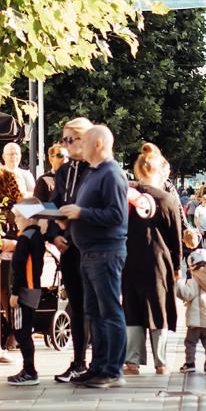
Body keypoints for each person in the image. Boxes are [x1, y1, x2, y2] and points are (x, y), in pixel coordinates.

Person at [61, 125, 129, 389]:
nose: (80, 145)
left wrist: (81, 214)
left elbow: (116, 216)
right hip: (90, 251)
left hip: (105, 250)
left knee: (109, 311)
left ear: (98, 143)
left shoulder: (111, 174)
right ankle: (98, 366)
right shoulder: (94, 173)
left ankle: (113, 369)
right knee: (94, 312)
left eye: (84, 141)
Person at [122, 144, 182, 376]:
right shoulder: (167, 199)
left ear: (138, 171)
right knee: (159, 308)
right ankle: (161, 362)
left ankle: (132, 361)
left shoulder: (128, 196)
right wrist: (177, 266)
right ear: (159, 171)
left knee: (132, 307)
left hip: (130, 259)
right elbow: (174, 237)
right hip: (159, 262)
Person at [47, 117, 93, 383]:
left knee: (95, 306)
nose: (64, 145)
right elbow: (53, 205)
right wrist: (54, 236)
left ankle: (101, 360)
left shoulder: (96, 171)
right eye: (63, 139)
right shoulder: (64, 171)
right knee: (76, 304)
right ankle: (78, 361)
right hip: (68, 247)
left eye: (69, 139)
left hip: (91, 247)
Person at [7, 201, 46, 386]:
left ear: (29, 218)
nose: (16, 220)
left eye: (18, 216)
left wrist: (14, 292)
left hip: (23, 290)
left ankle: (29, 370)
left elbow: (19, 267)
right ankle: (28, 369)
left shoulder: (25, 238)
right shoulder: (37, 236)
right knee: (25, 330)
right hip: (34, 287)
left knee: (21, 331)